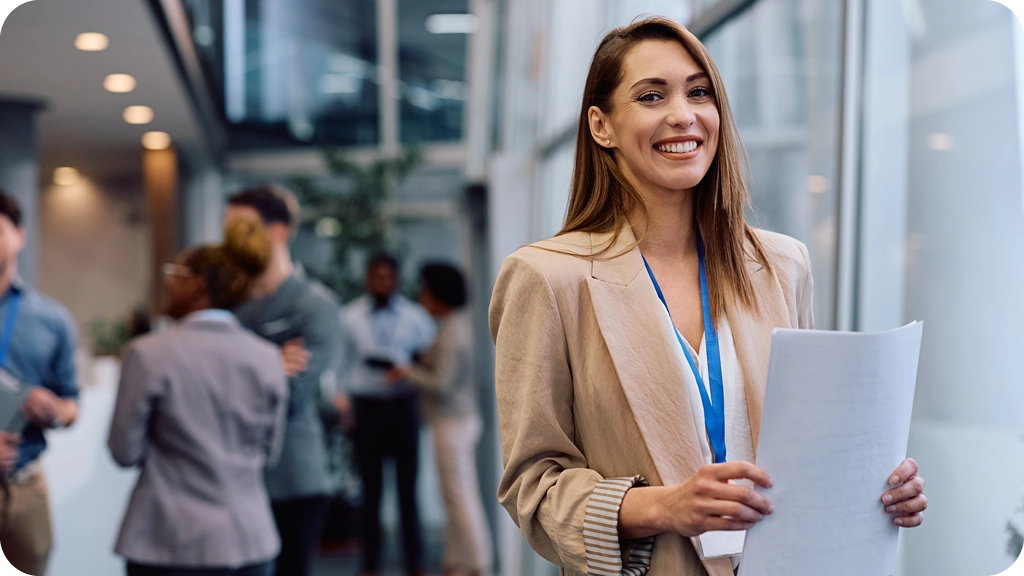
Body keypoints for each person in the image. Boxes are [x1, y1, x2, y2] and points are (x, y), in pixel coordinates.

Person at [488, 17, 928, 576]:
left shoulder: (781, 265)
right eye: (651, 96)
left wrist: (877, 486)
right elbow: (533, 486)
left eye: (699, 93)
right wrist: (662, 507)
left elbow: (807, 443)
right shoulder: (547, 278)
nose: (683, 114)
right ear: (602, 126)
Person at [108, 221, 288, 576]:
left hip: (168, 542)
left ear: (198, 284)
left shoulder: (147, 355)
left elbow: (124, 452)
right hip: (249, 540)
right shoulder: (268, 357)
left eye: (173, 273)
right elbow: (270, 453)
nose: (167, 282)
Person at [227, 185, 342, 576]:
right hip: (233, 476)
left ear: (277, 232)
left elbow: (292, 394)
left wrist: (237, 371)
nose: (231, 241)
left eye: (241, 229)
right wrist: (271, 362)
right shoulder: (231, 303)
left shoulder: (315, 304)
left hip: (292, 476)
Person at [387, 263, 493, 576]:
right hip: (452, 421)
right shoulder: (451, 327)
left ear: (438, 293)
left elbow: (442, 383)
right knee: (453, 496)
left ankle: (478, 564)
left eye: (425, 289)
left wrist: (408, 373)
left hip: (454, 422)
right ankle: (456, 562)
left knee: (460, 497)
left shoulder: (454, 332)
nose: (421, 295)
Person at [336, 254, 435, 576]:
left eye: (387, 277)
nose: (382, 283)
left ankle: (414, 564)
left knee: (408, 491)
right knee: (371, 491)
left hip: (403, 408)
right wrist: (343, 404)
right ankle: (370, 564)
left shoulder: (416, 316)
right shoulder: (349, 316)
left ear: (396, 280)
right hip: (367, 410)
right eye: (376, 277)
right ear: (368, 279)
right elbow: (340, 364)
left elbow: (429, 361)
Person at [0, 190, 79, 576]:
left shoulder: (51, 319)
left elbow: (72, 405)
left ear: (19, 236)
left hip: (25, 485)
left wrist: (55, 411)